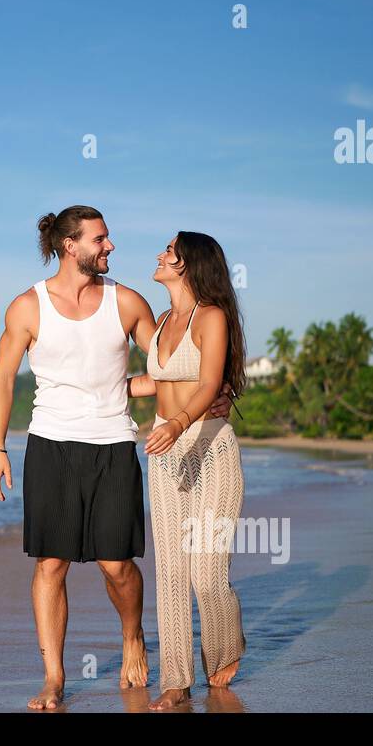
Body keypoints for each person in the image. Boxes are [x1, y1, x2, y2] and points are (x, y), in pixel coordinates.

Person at [0, 207, 231, 710]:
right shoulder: (28, 307)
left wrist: (216, 391)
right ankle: (54, 678)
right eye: (100, 239)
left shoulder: (127, 302)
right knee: (50, 563)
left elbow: (170, 362)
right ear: (70, 245)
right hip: (50, 443)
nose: (111, 246)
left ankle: (132, 634)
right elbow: (1, 377)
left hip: (114, 443)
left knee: (116, 565)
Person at [129, 231, 248, 710]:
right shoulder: (161, 323)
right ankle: (176, 681)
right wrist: (95, 386)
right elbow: (154, 382)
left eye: (170, 251)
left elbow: (210, 382)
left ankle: (225, 644)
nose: (160, 255)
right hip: (166, 452)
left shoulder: (211, 316)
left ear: (189, 264)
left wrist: (178, 423)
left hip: (210, 447)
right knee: (171, 571)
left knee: (206, 570)